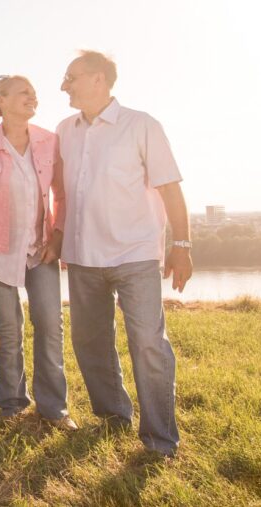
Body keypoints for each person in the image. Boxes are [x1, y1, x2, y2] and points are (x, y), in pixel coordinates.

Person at [57, 50, 191, 457]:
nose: (64, 85)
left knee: (148, 344)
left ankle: (159, 440)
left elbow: (169, 187)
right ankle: (114, 414)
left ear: (99, 79)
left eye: (71, 77)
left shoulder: (141, 125)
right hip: (82, 256)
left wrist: (181, 245)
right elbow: (60, 191)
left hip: (135, 254)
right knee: (89, 341)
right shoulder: (64, 129)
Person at [0, 75, 76, 430]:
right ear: (1, 100)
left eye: (33, 92)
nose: (33, 96)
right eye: (24, 92)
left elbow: (63, 194)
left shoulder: (49, 142)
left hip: (40, 250)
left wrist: (57, 236)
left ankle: (54, 409)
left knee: (50, 327)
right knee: (8, 331)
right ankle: (12, 406)